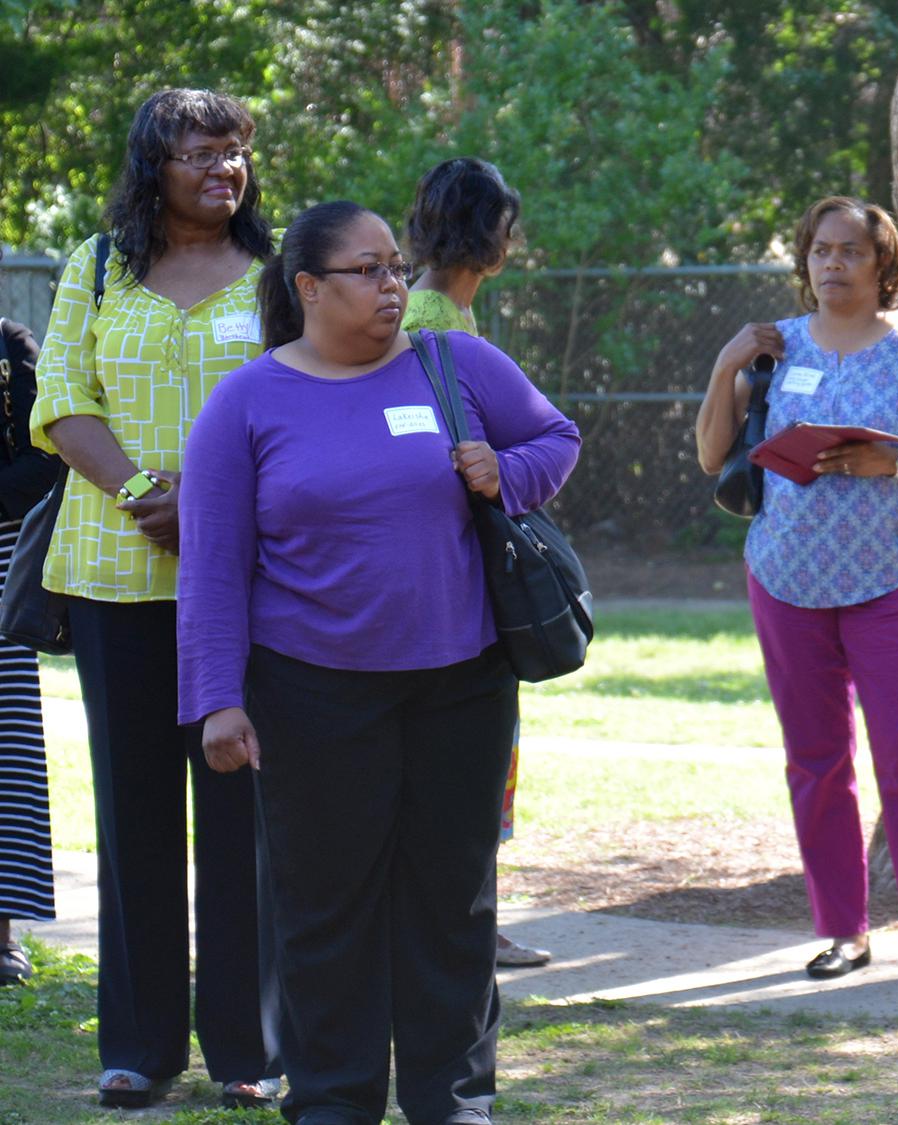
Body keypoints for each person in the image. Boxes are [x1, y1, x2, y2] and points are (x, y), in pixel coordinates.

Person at [176, 200, 580, 1124]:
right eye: (369, 270)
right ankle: (332, 1100)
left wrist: (503, 474)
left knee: (452, 900)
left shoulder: (454, 363)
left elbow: (555, 437)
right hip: (310, 692)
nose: (393, 285)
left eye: (398, 267)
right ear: (309, 286)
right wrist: (216, 702)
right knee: (325, 912)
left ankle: (454, 1099)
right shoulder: (246, 403)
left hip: (462, 683)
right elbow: (211, 569)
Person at [30, 88, 279, 1109]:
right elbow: (61, 401)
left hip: (249, 583)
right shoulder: (94, 267)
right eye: (203, 152)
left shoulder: (279, 279)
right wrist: (141, 490)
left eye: (238, 154)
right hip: (114, 577)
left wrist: (216, 503)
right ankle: (136, 1046)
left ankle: (250, 1050)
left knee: (243, 812)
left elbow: (302, 402)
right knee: (133, 809)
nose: (225, 170)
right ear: (153, 165)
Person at [695, 196, 898, 989]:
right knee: (816, 760)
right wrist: (727, 363)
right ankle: (843, 933)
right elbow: (712, 453)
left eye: (849, 252)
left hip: (890, 575)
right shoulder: (774, 347)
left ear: (882, 265)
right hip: (786, 578)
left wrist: (892, 464)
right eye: (819, 251)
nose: (831, 265)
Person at [402, 156, 549, 968]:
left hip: (444, 569)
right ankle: (466, 922)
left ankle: (466, 917)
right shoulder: (436, 320)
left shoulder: (424, 307)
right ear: (495, 233)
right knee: (474, 749)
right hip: (460, 574)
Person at [0, 300, 60, 987]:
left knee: (7, 752)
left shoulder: (11, 347)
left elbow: (45, 455)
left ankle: (4, 934)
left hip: (1, 564)